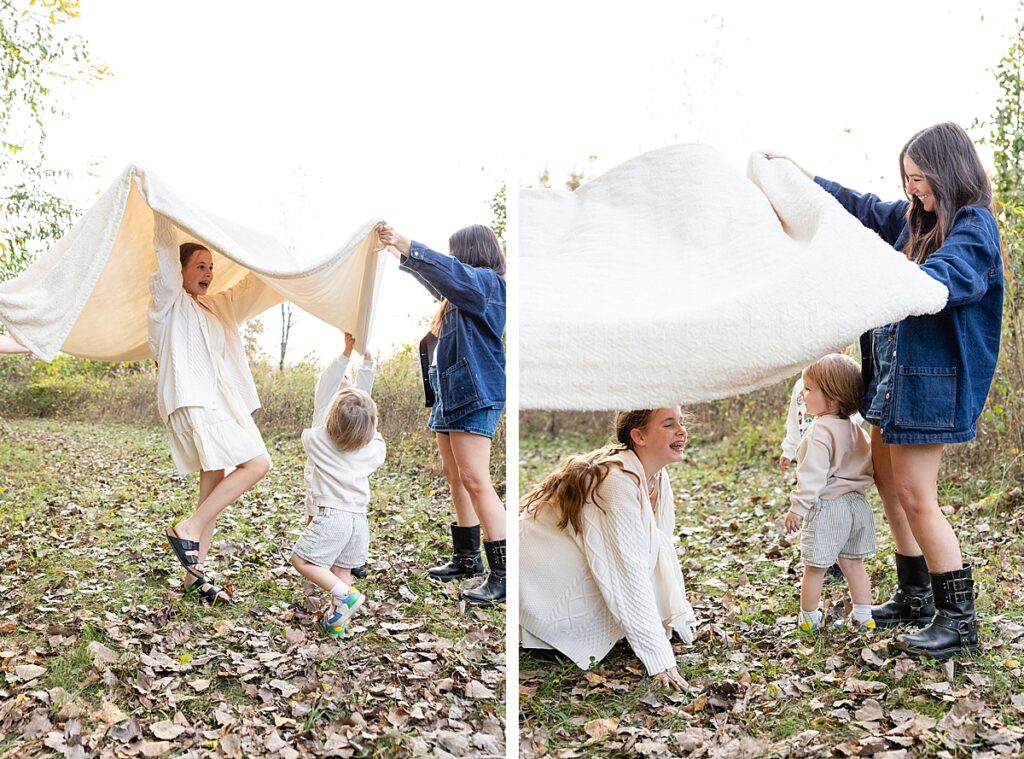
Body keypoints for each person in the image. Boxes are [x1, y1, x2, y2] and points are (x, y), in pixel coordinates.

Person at [771, 121, 1003, 659]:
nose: (912, 191)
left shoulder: (973, 226)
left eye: (920, 179)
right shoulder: (912, 222)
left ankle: (958, 621)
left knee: (919, 496)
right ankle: (916, 595)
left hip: (930, 389)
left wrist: (891, 275)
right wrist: (805, 179)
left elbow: (951, 277)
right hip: (890, 382)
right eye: (907, 180)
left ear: (949, 173)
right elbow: (863, 207)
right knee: (887, 485)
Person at [375, 222, 506, 607]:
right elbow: (438, 280)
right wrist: (402, 255)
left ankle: (502, 575)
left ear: (470, 252)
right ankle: (467, 559)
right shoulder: (458, 294)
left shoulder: (488, 285)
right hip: (451, 396)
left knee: (476, 480)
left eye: (454, 252)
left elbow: (449, 272)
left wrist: (407, 243)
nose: (450, 259)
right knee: (456, 477)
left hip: (476, 393)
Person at [519, 408, 697, 690]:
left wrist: (667, 623)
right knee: (614, 567)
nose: (681, 430)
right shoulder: (615, 481)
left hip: (559, 559)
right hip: (537, 574)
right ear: (638, 436)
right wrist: (660, 658)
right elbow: (627, 571)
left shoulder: (657, 476)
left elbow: (657, 550)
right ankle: (559, 634)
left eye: (682, 423)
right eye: (668, 424)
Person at [149, 215, 273, 604]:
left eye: (211, 267)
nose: (208, 272)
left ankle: (194, 575)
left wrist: (278, 257)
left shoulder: (213, 308)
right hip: (193, 399)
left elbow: (254, 288)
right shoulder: (168, 303)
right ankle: (188, 527)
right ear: (181, 271)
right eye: (199, 266)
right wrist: (160, 207)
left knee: (213, 488)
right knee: (258, 463)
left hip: (218, 402)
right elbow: (164, 251)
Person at [290, 333, 385, 638]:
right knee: (341, 572)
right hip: (359, 520)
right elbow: (360, 408)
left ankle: (347, 597)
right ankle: (337, 622)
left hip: (332, 513)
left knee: (302, 559)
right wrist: (359, 359)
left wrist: (357, 359)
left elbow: (350, 399)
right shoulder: (373, 447)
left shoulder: (319, 437)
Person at [784, 354, 876, 633]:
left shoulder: (818, 432)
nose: (803, 393)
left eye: (809, 389)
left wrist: (797, 509)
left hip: (830, 507)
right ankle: (863, 618)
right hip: (858, 505)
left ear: (834, 399)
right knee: (853, 564)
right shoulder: (856, 430)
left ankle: (809, 621)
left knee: (815, 567)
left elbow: (812, 476)